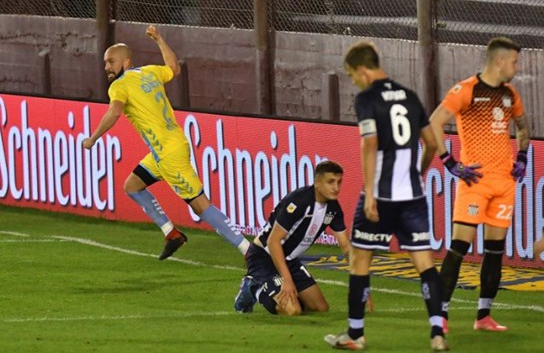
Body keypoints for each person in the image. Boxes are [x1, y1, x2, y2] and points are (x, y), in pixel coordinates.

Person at [83, 25, 250, 260]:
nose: (106, 67)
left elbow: (114, 113)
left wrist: (93, 138)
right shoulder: (150, 73)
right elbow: (173, 68)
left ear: (126, 62)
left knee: (200, 205)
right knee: (132, 185)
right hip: (166, 149)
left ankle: (248, 250)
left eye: (111, 61)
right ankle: (171, 233)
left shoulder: (119, 86)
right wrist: (159, 39)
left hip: (169, 153)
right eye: (105, 62)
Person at [324, 41, 448, 351]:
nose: (354, 81)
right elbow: (431, 144)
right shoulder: (410, 96)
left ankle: (355, 335)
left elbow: (369, 145)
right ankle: (437, 334)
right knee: (425, 263)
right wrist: (418, 174)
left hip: (380, 195)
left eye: (353, 75)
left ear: (364, 70)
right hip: (413, 197)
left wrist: (370, 194)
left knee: (360, 261)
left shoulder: (367, 99)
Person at [428, 37, 530, 333]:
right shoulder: (467, 90)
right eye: (514, 61)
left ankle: (483, 316)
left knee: (495, 250)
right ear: (499, 61)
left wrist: (522, 156)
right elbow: (434, 122)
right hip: (475, 182)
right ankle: (441, 315)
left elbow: (523, 127)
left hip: (504, 184)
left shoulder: (511, 94)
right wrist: (449, 162)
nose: (516, 67)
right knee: (459, 247)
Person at [233, 160, 350, 316]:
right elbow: (273, 241)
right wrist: (287, 280)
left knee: (320, 308)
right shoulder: (299, 201)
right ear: (317, 182)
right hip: (264, 256)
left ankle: (280, 293)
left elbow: (346, 247)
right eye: (330, 182)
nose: (336, 188)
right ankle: (253, 287)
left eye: (339, 182)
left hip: (288, 259)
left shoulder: (333, 209)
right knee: (292, 310)